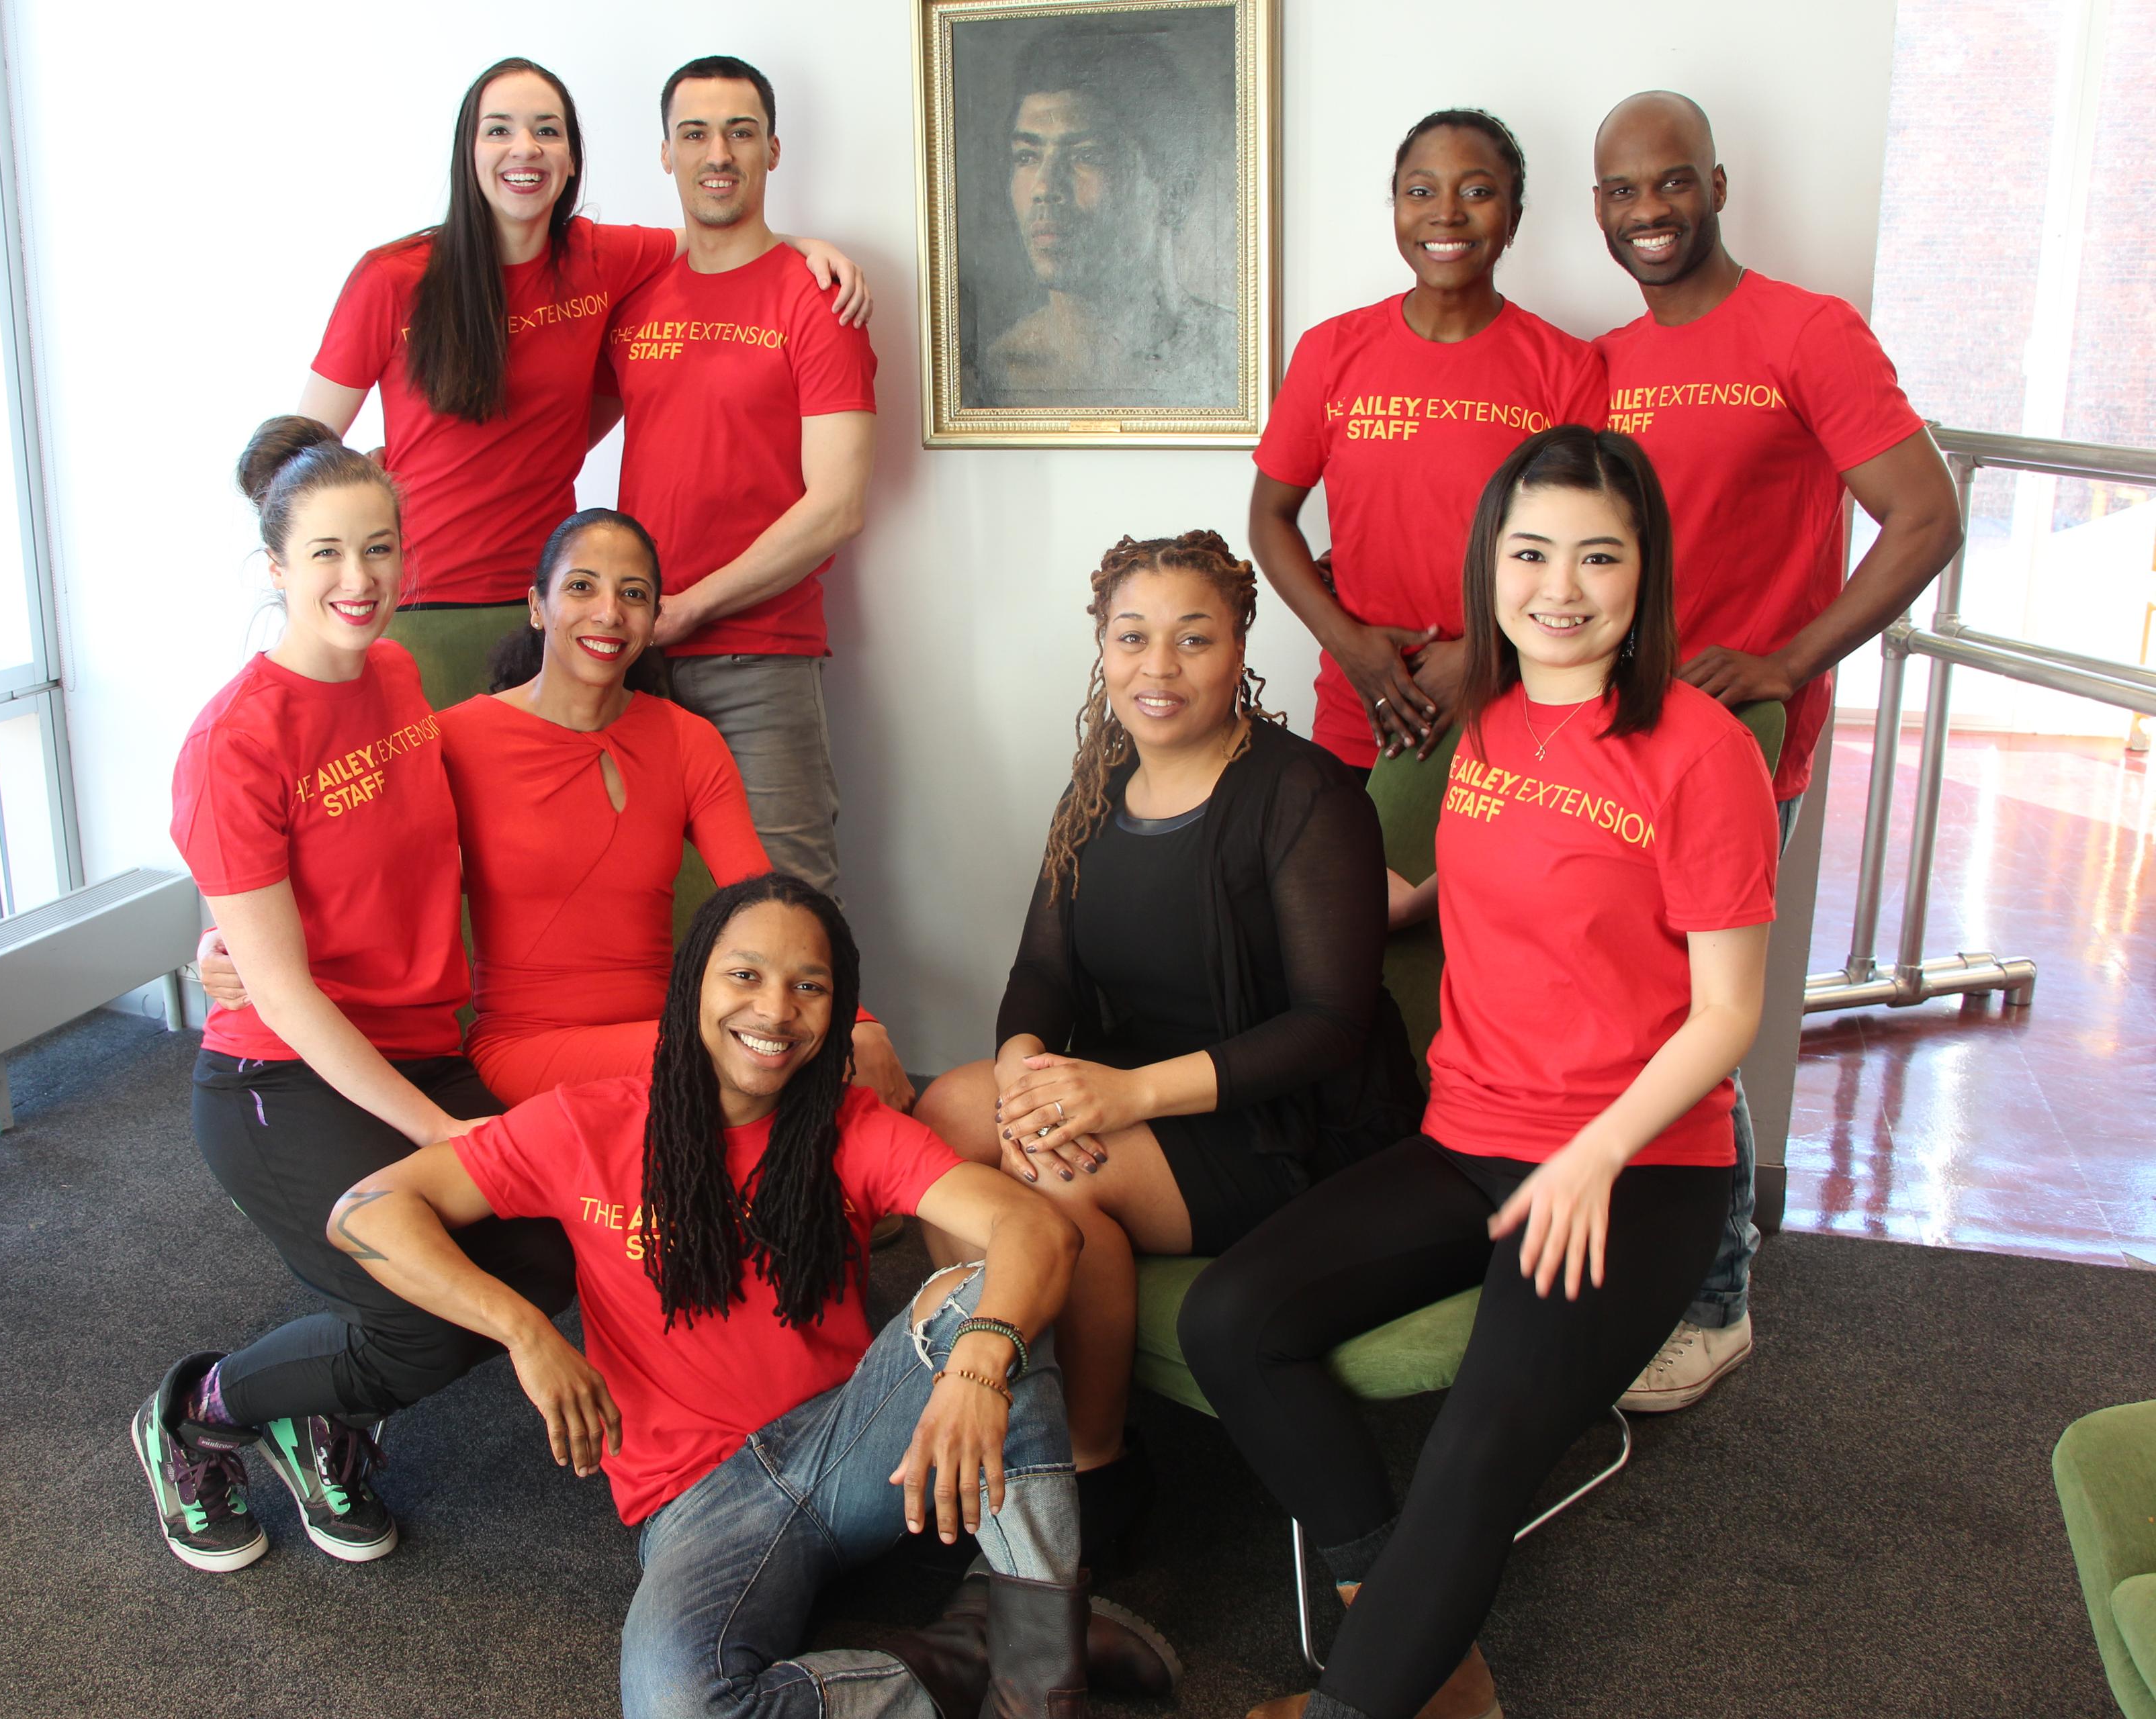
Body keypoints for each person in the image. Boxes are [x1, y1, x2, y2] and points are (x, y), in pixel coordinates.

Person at [1179, 426, 1780, 1719]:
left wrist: (1598, 1155)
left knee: (1477, 1447)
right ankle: (1422, 1646)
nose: (1561, 586)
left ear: (1645, 574)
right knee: (1233, 1321)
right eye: (1531, 552)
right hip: (1470, 1139)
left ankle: (1354, 1702)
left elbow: (1729, 1012)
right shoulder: (1488, 723)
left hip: (1638, 1167)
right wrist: (1381, 908)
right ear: (1490, 569)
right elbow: (1524, 873)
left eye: (1598, 556)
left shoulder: (1702, 750)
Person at [325, 872, 1177, 1716]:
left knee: (984, 1300)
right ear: (693, 981)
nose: (774, 1011)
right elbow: (368, 1209)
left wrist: (977, 1367)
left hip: (855, 1449)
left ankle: (1040, 1679)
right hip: (695, 1501)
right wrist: (522, 1329)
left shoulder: (854, 1127)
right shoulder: (583, 1124)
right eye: (745, 975)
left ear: (836, 1012)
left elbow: (1037, 1231)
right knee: (678, 1706)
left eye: (809, 986)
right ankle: (963, 1652)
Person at [915, 530, 1423, 1573]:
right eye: (1133, 637)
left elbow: (1331, 1027)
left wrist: (1120, 1097)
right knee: (948, 1121)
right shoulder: (1098, 783)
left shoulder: (1307, 796)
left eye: (1193, 639)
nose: (1160, 667)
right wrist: (1019, 1068)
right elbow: (1043, 973)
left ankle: (1096, 1469)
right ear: (1101, 647)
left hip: (1286, 1120)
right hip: (1129, 1081)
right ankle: (1019, 1393)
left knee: (1053, 1181)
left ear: (1241, 645)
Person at [134, 416, 576, 1573]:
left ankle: (326, 1408)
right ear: (274, 566)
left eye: (379, 549)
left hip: (423, 1047)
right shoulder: (233, 741)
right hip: (278, 1080)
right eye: (327, 553)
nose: (360, 579)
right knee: (432, 1311)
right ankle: (201, 1413)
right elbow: (278, 992)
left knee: (549, 1259)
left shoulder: (393, 672)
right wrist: (440, 1131)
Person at [1590, 91, 1964, 1409]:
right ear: (1599, 208)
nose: (1649, 211)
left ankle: (1718, 1298)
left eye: (1671, 183)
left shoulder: (1807, 330)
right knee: (1629, 1011)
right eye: (1624, 191)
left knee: (1704, 1014)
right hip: (1611, 739)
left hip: (1741, 742)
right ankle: (1638, 1264)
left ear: (1719, 184)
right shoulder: (1601, 359)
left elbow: (1924, 516)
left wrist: (1791, 660)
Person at [193, 510, 919, 1113]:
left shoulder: (686, 738)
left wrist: (857, 1018)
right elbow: (350, 859)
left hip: (666, 1024)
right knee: (749, 1060)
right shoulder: (456, 738)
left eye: (634, 594)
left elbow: (760, 902)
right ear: (538, 606)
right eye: (582, 587)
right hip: (525, 1042)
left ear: (652, 619)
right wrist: (224, 943)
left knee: (783, 1045)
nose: (609, 611)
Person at [300, 56, 869, 714]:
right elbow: (300, 463)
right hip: (419, 607)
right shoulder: (394, 278)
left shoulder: (602, 260)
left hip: (546, 615)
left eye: (547, 131)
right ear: (468, 149)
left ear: (571, 159)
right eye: (499, 130)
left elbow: (718, 229)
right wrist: (358, 506)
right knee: (420, 815)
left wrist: (806, 248)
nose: (525, 148)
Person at [1249, 108, 1605, 784]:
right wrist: (1349, 645)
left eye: (1476, 191)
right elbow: (1270, 517)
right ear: (1396, 207)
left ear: (1515, 215)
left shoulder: (1567, 368)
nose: (1446, 213)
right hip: (1362, 711)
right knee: (1351, 892)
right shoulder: (1331, 352)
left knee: (1487, 894)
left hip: (1512, 709)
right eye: (1420, 191)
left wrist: (1485, 655)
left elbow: (1590, 555)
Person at [599, 56, 877, 896]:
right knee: (644, 902)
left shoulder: (816, 296)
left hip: (759, 659)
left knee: (785, 904)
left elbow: (838, 507)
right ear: (666, 154)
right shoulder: (636, 288)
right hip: (630, 657)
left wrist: (693, 606)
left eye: (740, 133)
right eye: (696, 134)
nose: (718, 153)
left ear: (773, 150)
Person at [972, 20, 1236, 410]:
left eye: (1086, 156)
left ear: (1173, 190)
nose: (1045, 189)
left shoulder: (1233, 356)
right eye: (1027, 157)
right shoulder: (995, 374)